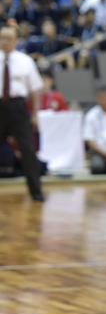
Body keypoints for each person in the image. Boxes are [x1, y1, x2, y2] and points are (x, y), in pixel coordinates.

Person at [0, 25, 45, 201]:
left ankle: (36, 192)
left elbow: (35, 91)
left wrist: (35, 114)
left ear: (16, 41)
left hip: (18, 108)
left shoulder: (25, 61)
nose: (4, 41)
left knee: (28, 150)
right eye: (2, 37)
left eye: (8, 38)